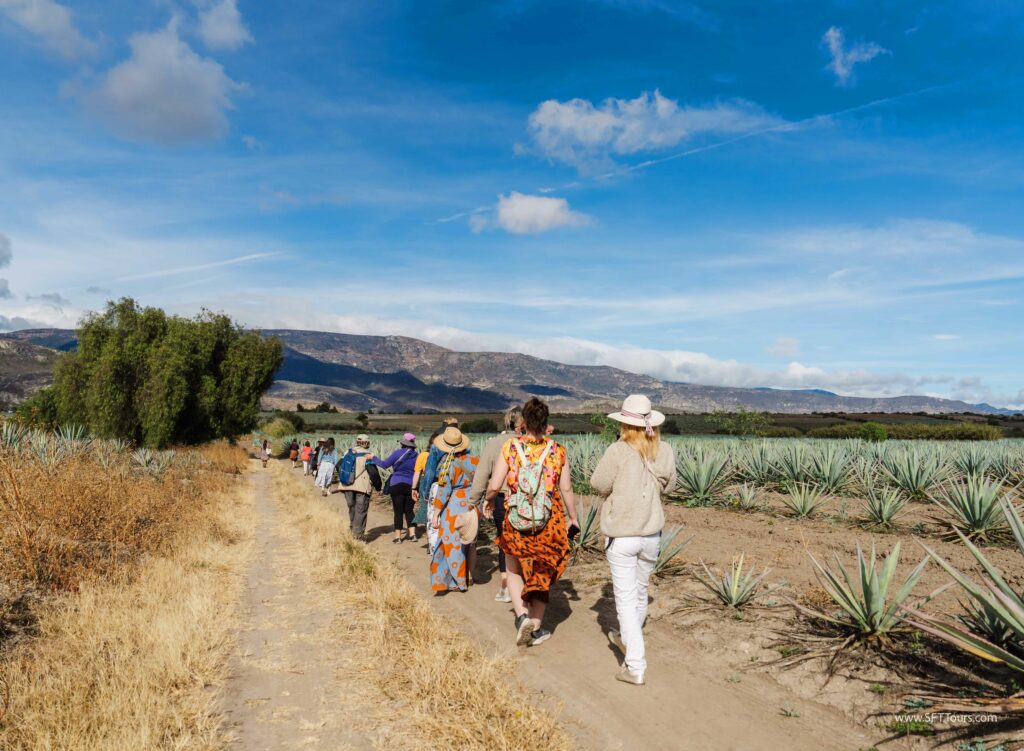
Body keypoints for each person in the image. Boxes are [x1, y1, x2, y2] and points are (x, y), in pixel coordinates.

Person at [590, 395, 677, 687]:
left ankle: (635, 665)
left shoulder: (617, 450)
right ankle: (626, 639)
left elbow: (598, 484)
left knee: (626, 601)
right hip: (651, 534)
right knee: (640, 592)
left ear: (625, 423)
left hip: (622, 535)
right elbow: (671, 486)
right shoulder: (665, 450)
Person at [486, 397, 578, 648]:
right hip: (548, 521)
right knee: (542, 571)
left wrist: (488, 499)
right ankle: (535, 627)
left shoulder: (511, 447)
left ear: (523, 421)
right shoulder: (558, 450)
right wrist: (573, 517)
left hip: (517, 518)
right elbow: (566, 488)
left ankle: (522, 616)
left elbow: (495, 484)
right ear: (546, 423)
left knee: (513, 568)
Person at [470, 406, 523, 604]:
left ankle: (506, 585)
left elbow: (482, 474)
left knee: (505, 542)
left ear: (507, 421)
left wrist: (474, 501)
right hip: (531, 500)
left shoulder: (494, 443)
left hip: (503, 498)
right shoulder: (533, 442)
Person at [429, 426, 479, 592]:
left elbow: (443, 492)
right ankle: (469, 576)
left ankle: (459, 582)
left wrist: (435, 514)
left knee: (454, 544)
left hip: (455, 506)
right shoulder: (475, 460)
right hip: (473, 504)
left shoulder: (447, 465)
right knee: (470, 542)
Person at [413, 418, 460, 552]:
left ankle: (434, 548)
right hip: (458, 487)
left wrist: (426, 491)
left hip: (439, 484)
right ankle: (450, 547)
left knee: (434, 517)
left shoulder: (437, 446)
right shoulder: (462, 446)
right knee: (452, 518)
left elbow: (430, 471)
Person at [376, 433, 419, 544]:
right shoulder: (417, 455)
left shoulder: (397, 453)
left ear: (402, 443)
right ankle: (413, 535)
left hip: (396, 484)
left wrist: (373, 458)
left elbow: (384, 464)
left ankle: (398, 537)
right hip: (411, 485)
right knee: (409, 510)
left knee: (398, 511)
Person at [338, 434, 375, 540]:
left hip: (347, 485)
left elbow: (338, 465)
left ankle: (352, 529)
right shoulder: (368, 454)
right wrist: (378, 485)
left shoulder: (348, 452)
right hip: (362, 486)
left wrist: (345, 478)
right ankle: (357, 536)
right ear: (366, 443)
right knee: (361, 510)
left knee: (352, 507)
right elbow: (373, 472)